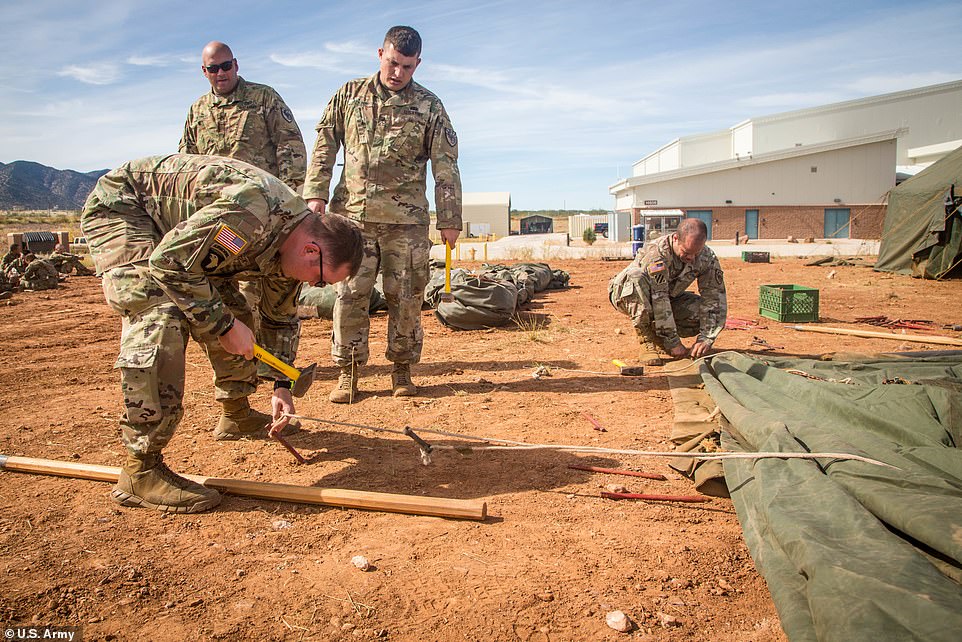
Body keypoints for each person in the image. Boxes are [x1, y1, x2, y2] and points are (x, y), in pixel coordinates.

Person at [81, 154, 363, 514]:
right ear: (312, 250)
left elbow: (280, 318)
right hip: (127, 210)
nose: (314, 285)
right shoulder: (251, 214)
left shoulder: (290, 249)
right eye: (320, 279)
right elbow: (168, 263)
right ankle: (141, 468)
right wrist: (222, 326)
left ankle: (236, 414)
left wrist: (281, 385)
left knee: (237, 312)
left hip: (184, 238)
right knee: (160, 311)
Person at [303, 25, 462, 403]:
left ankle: (402, 370)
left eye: (407, 67)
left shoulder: (430, 106)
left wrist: (450, 218)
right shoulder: (349, 95)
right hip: (352, 220)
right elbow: (324, 144)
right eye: (393, 63)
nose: (398, 73)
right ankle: (349, 372)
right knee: (349, 296)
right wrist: (315, 195)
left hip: (405, 224)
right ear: (380, 54)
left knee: (406, 297)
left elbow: (446, 165)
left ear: (417, 64)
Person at [179, 41, 307, 191]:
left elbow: (290, 145)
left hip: (261, 200)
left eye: (226, 66)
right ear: (204, 71)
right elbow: (187, 162)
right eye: (213, 68)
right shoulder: (197, 110)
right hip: (213, 201)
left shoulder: (264, 97)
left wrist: (289, 196)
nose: (220, 73)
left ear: (235, 65)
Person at [608, 218, 727, 366]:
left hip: (669, 297)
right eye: (687, 252)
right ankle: (646, 339)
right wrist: (673, 343)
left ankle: (659, 336)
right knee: (636, 277)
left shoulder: (706, 257)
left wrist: (706, 338)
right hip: (627, 294)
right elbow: (659, 297)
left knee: (699, 313)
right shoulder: (657, 253)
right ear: (675, 238)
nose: (692, 258)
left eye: (696, 253)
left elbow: (714, 297)